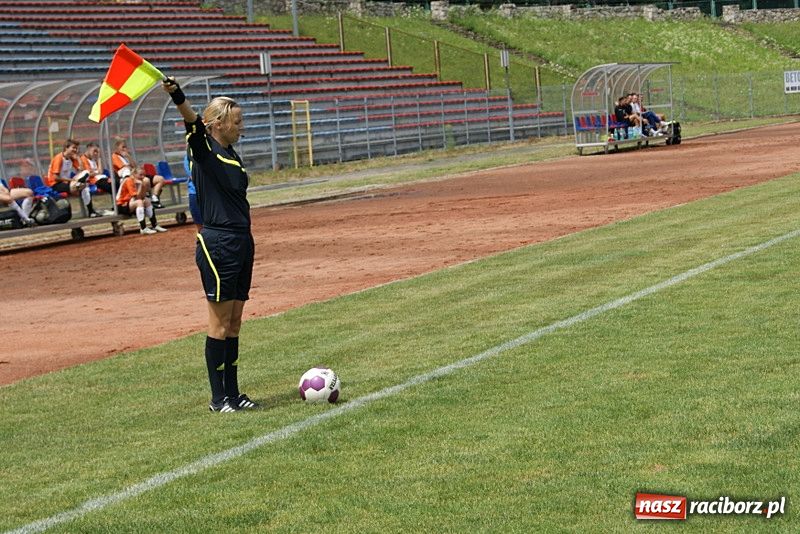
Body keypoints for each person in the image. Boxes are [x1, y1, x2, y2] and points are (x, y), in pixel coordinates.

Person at [163, 75, 258, 413]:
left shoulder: (231, 153)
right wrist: (178, 96)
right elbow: (192, 123)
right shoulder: (205, 151)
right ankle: (219, 400)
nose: (241, 126)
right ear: (218, 124)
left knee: (233, 323)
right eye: (237, 121)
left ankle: (234, 393)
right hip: (218, 243)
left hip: (241, 241)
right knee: (218, 324)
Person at [46, 138, 102, 218]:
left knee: (85, 183)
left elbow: (82, 170)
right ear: (66, 148)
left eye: (76, 148)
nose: (75, 150)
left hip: (68, 183)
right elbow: (55, 178)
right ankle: (78, 185)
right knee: (83, 185)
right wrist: (72, 180)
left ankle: (91, 212)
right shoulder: (59, 158)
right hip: (56, 185)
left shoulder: (72, 158)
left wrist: (78, 158)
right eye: (73, 148)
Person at [112, 137, 166, 208]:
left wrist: (128, 157)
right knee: (145, 181)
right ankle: (146, 200)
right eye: (123, 147)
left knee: (160, 179)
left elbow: (135, 167)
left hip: (137, 174)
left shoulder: (126, 156)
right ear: (117, 147)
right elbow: (126, 169)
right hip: (130, 178)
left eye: (126, 147)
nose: (125, 149)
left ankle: (154, 197)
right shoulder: (115, 156)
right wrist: (132, 168)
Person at [115, 166, 168, 235]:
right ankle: (143, 228)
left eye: (144, 175)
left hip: (131, 202)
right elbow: (136, 197)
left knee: (147, 200)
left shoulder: (140, 181)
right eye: (140, 175)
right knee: (139, 202)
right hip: (121, 205)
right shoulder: (128, 180)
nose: (143, 177)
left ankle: (155, 225)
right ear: (134, 174)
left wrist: (143, 185)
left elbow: (142, 196)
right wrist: (140, 185)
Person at [184, 152, 203, 232]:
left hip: (209, 193)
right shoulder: (188, 158)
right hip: (195, 192)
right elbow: (192, 176)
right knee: (199, 224)